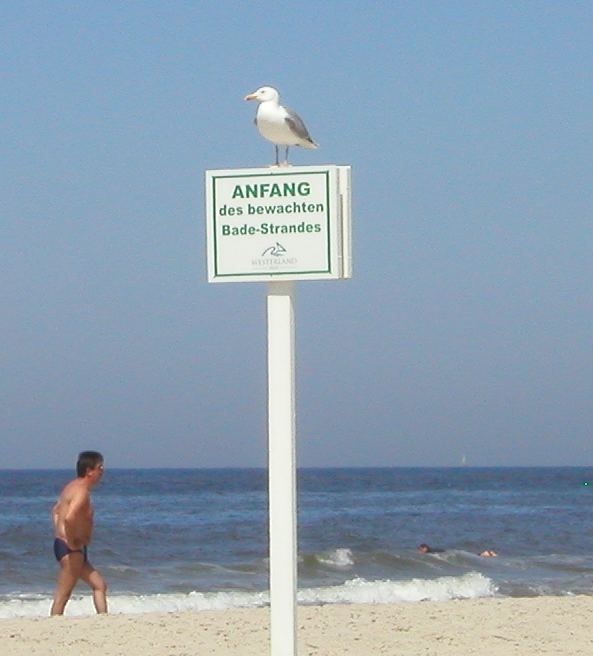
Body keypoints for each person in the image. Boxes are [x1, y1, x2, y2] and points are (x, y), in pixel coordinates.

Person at [50, 451, 107, 615]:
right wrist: (73, 539)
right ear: (89, 471)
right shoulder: (81, 491)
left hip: (69, 547)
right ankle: (53, 626)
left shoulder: (71, 487)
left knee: (99, 585)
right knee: (63, 594)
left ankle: (104, 619)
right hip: (71, 549)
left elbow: (55, 511)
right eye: (99, 467)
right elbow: (69, 517)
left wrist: (59, 532)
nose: (102, 471)